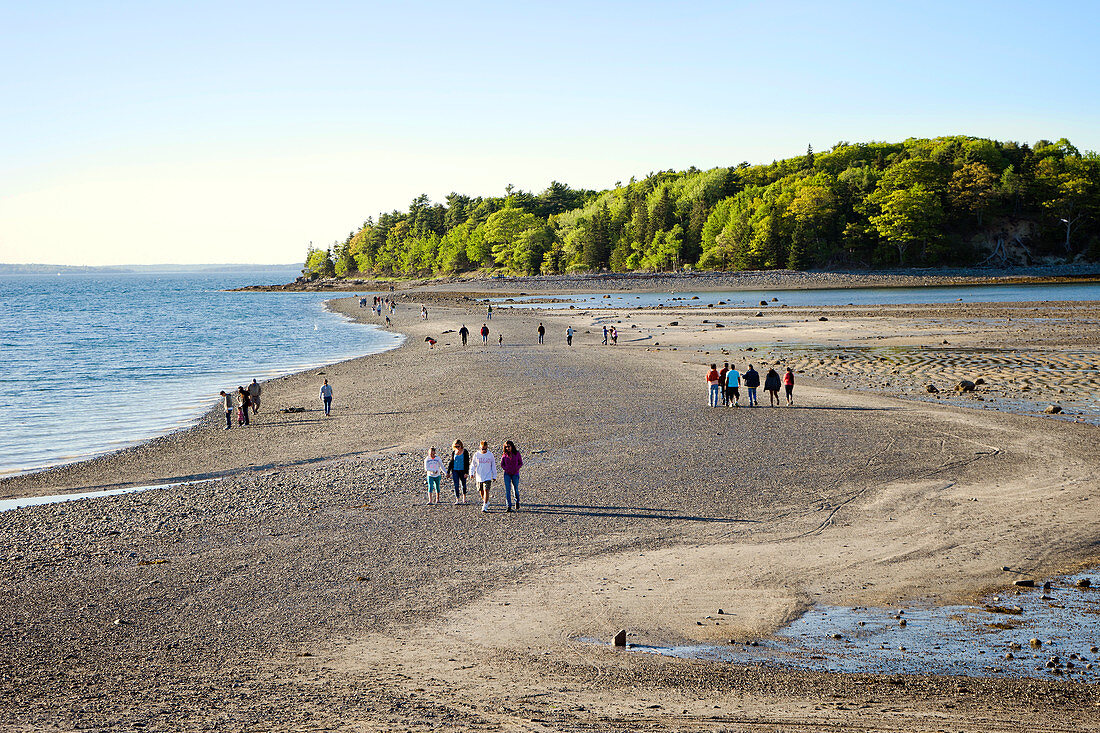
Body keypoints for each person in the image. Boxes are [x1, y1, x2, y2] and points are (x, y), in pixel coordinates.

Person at [471, 441, 497, 512]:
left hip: (487, 476)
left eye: (485, 449)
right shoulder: (476, 455)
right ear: (480, 448)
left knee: (486, 490)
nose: (484, 450)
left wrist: (494, 475)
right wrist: (471, 473)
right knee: (481, 490)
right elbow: (473, 464)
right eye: (483, 449)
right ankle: (485, 500)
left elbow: (493, 465)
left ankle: (485, 505)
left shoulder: (490, 455)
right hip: (479, 476)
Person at [500, 440, 522, 512]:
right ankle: (508, 506)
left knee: (515, 488)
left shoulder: (517, 454)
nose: (507, 448)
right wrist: (506, 469)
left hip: (515, 473)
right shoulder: (504, 455)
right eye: (506, 447)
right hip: (507, 474)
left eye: (508, 446)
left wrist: (516, 468)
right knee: (507, 490)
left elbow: (520, 463)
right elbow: (502, 464)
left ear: (512, 446)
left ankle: (517, 501)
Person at [447, 440, 471, 504]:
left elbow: (467, 462)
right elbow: (451, 462)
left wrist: (466, 472)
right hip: (455, 470)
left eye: (458, 446)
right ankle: (457, 499)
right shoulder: (454, 452)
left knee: (463, 484)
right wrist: (448, 471)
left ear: (461, 445)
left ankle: (464, 498)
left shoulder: (465, 452)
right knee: (456, 485)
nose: (457, 447)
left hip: (462, 470)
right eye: (456, 446)